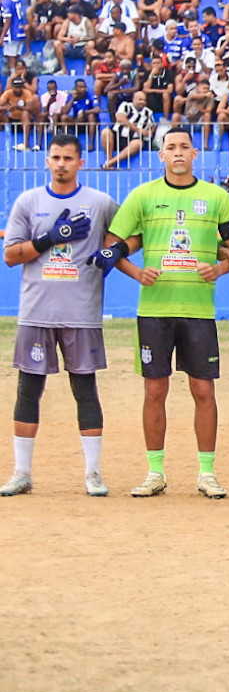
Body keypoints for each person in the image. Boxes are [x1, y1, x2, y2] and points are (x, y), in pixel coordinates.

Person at [98, 128, 229, 498]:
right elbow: (111, 247)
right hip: (155, 310)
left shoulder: (216, 197)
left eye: (184, 147)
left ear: (195, 153)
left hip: (198, 311)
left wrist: (220, 268)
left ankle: (207, 474)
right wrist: (136, 273)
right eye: (171, 148)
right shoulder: (143, 196)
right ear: (160, 155)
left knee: (203, 390)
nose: (178, 153)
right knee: (154, 391)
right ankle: (155, 472)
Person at [1, 134, 117, 497]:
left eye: (69, 157)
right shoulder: (28, 201)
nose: (61, 163)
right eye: (55, 157)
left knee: (85, 390)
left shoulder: (99, 203)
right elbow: (11, 256)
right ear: (47, 161)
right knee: (28, 390)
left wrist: (113, 253)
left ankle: (94, 473)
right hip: (37, 313)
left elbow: (127, 234)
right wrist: (48, 239)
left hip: (81, 314)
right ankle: (21, 472)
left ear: (81, 162)